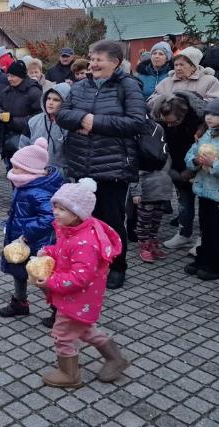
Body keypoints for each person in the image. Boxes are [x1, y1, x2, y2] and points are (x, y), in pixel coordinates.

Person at [55, 40, 144, 290]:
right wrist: (83, 118)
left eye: (99, 59)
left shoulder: (128, 86)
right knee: (85, 220)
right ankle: (91, 263)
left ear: (115, 63)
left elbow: (137, 122)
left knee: (112, 221)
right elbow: (62, 114)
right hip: (82, 165)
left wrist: (96, 123)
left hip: (114, 166)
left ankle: (117, 266)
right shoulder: (81, 86)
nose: (93, 64)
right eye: (92, 59)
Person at [37, 178, 128, 387]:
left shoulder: (85, 242)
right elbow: (64, 253)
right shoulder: (71, 230)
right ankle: (115, 359)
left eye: (62, 209)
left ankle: (70, 375)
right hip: (77, 298)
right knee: (86, 330)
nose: (55, 212)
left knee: (63, 335)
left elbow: (80, 277)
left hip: (77, 297)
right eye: (55, 207)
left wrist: (50, 281)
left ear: (78, 213)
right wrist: (49, 251)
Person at [0, 138, 62, 325]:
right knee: (18, 271)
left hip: (37, 242)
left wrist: (27, 231)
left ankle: (58, 309)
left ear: (30, 170)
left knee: (41, 276)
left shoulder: (38, 191)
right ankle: (20, 302)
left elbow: (50, 217)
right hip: (20, 239)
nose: (12, 171)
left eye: (17, 167)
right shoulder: (25, 185)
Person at [184, 97, 219, 280]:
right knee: (206, 228)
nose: (209, 117)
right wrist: (195, 161)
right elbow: (191, 152)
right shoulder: (206, 133)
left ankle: (218, 264)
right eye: (207, 113)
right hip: (204, 190)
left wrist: (213, 163)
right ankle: (204, 257)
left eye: (215, 114)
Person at [149, 92, 206, 255]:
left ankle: (203, 238)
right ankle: (183, 233)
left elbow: (205, 148)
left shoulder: (199, 121)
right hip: (176, 165)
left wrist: (193, 169)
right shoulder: (161, 120)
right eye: (166, 123)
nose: (169, 126)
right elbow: (162, 146)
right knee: (184, 201)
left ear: (184, 115)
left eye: (173, 122)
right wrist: (172, 170)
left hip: (199, 165)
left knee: (203, 205)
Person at [0, 60, 42, 170]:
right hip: (8, 139)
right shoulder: (7, 91)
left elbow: (38, 117)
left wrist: (13, 120)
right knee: (12, 173)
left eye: (12, 76)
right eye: (8, 76)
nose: (9, 79)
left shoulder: (33, 91)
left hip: (25, 140)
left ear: (21, 76)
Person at [19, 83, 71, 178]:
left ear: (65, 102)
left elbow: (74, 157)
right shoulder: (33, 121)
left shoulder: (70, 125)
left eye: (56, 100)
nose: (50, 102)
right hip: (35, 176)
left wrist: (64, 174)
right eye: (48, 98)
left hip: (61, 178)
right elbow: (23, 147)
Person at [129, 157, 173, 263]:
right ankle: (144, 246)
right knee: (144, 222)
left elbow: (169, 171)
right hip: (147, 195)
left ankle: (153, 243)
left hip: (162, 194)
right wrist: (136, 192)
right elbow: (135, 173)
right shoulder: (144, 151)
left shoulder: (165, 153)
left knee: (156, 222)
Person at [148, 46, 219, 105]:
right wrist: (166, 102)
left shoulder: (209, 81)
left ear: (193, 66)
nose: (178, 68)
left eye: (181, 65)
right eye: (176, 65)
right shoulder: (166, 82)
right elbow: (150, 102)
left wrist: (189, 104)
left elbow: (215, 104)